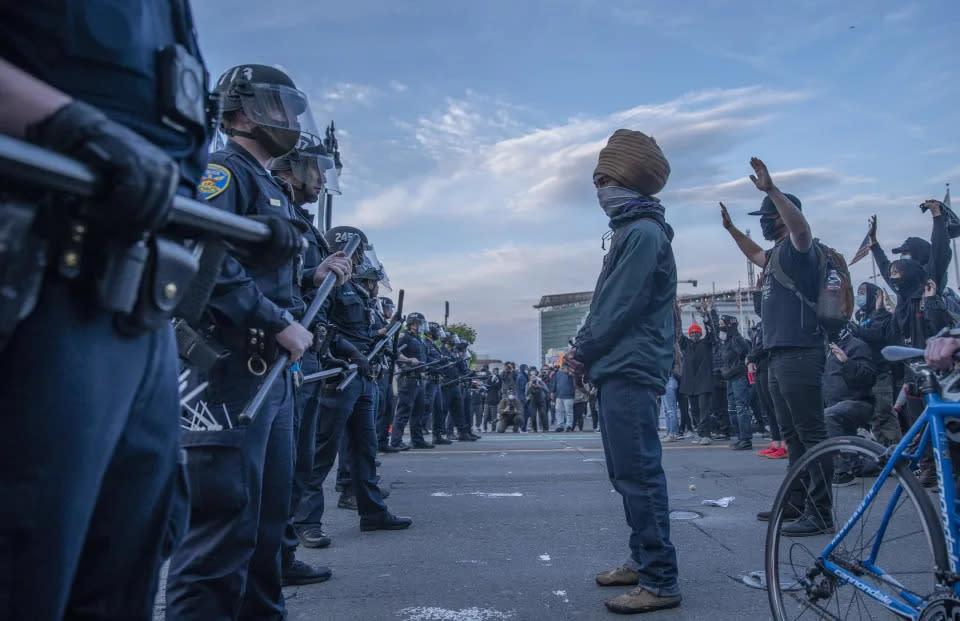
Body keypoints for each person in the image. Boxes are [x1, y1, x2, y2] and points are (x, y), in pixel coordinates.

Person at [0, 3, 275, 618]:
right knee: (27, 559)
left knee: (128, 558)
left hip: (138, 304)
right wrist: (68, 126)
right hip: (35, 286)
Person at [166, 64, 323, 620]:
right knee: (219, 531)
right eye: (278, 107)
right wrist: (273, 320)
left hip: (270, 376)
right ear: (241, 111)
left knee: (264, 525)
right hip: (227, 371)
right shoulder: (222, 172)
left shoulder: (265, 183)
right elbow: (201, 254)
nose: (289, 121)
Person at [567, 129, 681, 613]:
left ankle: (660, 580)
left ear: (626, 181)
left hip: (630, 365)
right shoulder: (633, 230)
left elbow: (618, 306)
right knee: (625, 472)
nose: (599, 190)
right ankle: (641, 561)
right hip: (620, 365)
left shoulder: (641, 233)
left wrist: (583, 348)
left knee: (639, 474)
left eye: (605, 180)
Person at [720, 158, 831, 537]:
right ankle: (795, 503)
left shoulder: (800, 249)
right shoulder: (774, 258)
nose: (765, 221)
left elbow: (801, 228)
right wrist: (733, 229)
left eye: (768, 215)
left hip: (800, 351)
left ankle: (821, 511)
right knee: (793, 437)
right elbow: (754, 254)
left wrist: (772, 191)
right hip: (777, 355)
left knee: (811, 435)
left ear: (783, 216)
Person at [293, 226, 412, 548]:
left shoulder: (355, 289)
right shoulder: (330, 283)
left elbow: (358, 330)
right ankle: (306, 522)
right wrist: (352, 352)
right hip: (338, 376)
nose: (361, 259)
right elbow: (320, 326)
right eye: (359, 252)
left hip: (361, 378)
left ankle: (372, 512)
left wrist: (375, 342)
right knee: (321, 453)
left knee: (365, 449)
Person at [269, 145, 353, 586]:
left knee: (296, 460)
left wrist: (312, 275)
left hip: (302, 352)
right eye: (315, 170)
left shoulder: (290, 211)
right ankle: (270, 558)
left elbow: (290, 278)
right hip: (273, 349)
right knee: (275, 466)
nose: (321, 181)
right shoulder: (254, 189)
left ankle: (281, 556)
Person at [822, 326, 879, 486]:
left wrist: (847, 362)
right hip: (837, 403)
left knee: (829, 415)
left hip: (859, 403)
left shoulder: (857, 345)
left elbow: (869, 377)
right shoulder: (827, 348)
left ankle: (843, 472)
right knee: (823, 415)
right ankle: (861, 464)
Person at [853, 282, 901, 446]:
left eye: (863, 292)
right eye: (858, 292)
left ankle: (896, 453)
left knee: (884, 413)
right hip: (868, 373)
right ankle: (883, 452)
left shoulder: (884, 316)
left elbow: (877, 335)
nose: (859, 295)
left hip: (881, 373)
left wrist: (879, 310)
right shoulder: (861, 316)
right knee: (874, 416)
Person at [391, 313, 434, 449]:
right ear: (413, 324)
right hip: (407, 378)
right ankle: (396, 441)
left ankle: (417, 440)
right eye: (420, 323)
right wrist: (409, 360)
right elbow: (395, 352)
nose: (422, 326)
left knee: (418, 412)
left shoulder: (418, 339)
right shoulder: (405, 337)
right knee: (404, 411)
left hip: (419, 378)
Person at [714, 312, 754, 450]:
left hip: (738, 377)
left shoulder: (737, 339)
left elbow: (747, 355)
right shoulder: (725, 341)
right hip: (730, 378)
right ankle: (739, 437)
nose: (720, 328)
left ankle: (746, 439)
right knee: (732, 409)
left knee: (741, 408)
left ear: (729, 325)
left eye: (722, 325)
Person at [678, 323, 713, 444]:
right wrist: (676, 312)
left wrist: (706, 318)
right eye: (692, 333)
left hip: (703, 383)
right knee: (695, 411)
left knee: (704, 410)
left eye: (696, 332)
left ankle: (706, 435)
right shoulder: (685, 344)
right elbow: (677, 330)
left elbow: (712, 332)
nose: (694, 334)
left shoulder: (706, 344)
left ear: (700, 334)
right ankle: (700, 432)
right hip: (690, 385)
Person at [552, 364, 577, 431]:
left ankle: (569, 426)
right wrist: (552, 391)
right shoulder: (558, 373)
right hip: (559, 395)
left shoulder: (572, 373)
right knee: (558, 411)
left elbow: (576, 381)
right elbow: (555, 383)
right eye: (562, 367)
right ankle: (560, 426)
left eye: (564, 367)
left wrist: (569, 373)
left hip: (569, 395)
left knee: (568, 412)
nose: (563, 369)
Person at [483, 367, 502, 431]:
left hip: (494, 400)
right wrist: (492, 380)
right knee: (485, 415)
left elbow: (498, 386)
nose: (495, 372)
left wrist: (495, 380)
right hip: (487, 400)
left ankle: (493, 429)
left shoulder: (499, 378)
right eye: (494, 371)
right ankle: (484, 428)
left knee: (494, 416)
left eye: (496, 371)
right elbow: (486, 386)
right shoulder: (489, 377)